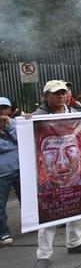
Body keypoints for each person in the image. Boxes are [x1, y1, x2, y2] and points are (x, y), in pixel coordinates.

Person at [33, 80, 81, 268]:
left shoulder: (76, 114)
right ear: (46, 96)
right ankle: (43, 255)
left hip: (75, 172)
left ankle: (75, 242)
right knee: (49, 213)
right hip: (49, 177)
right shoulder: (36, 118)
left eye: (64, 92)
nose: (62, 96)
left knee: (78, 206)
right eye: (56, 93)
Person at [0, 97, 20, 246]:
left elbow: (22, 140)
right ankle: (3, 232)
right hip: (2, 173)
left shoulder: (14, 123)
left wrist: (8, 127)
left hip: (20, 169)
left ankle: (33, 224)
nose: (2, 112)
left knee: (27, 200)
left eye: (5, 108)